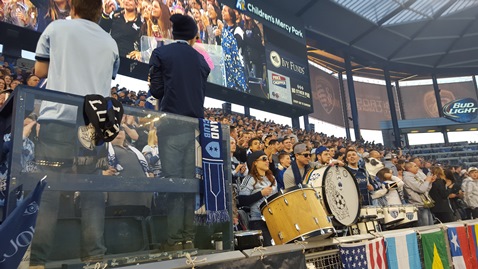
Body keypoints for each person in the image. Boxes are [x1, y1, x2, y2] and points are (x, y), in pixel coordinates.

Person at [31, 0, 119, 266]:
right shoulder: (111, 43)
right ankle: (95, 258)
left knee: (48, 190)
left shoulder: (56, 28)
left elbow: (40, 70)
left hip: (57, 121)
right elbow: (109, 78)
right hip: (93, 125)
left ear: (73, 9)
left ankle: (37, 261)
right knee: (91, 190)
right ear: (100, 15)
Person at [148, 13, 210, 251]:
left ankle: (174, 240)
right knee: (189, 186)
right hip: (195, 130)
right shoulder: (202, 61)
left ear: (173, 33)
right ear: (194, 37)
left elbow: (156, 90)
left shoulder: (162, 53)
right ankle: (188, 237)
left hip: (171, 127)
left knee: (175, 184)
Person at [238, 151, 277, 246]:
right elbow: (242, 201)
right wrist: (261, 193)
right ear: (255, 162)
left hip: (274, 219)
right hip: (258, 221)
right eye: (264, 159)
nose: (267, 161)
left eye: (267, 159)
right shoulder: (250, 179)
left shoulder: (272, 178)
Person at [402, 162, 436, 226]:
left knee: (431, 226)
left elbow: (426, 190)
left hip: (425, 204)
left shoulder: (416, 176)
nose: (417, 167)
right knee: (425, 228)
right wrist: (427, 181)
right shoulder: (408, 178)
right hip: (418, 206)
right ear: (409, 168)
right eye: (415, 166)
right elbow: (421, 189)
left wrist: (430, 182)